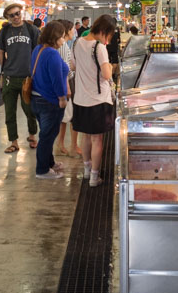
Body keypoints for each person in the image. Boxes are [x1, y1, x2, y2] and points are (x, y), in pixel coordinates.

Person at [73, 14, 116, 187]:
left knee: (86, 136)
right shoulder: (99, 47)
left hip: (80, 99)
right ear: (105, 31)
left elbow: (73, 66)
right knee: (97, 140)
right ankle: (94, 177)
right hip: (98, 100)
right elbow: (106, 75)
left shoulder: (77, 43)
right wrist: (111, 67)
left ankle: (86, 170)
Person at [0, 3, 41, 153]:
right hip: (9, 76)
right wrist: (1, 73)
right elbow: (1, 53)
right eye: (12, 15)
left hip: (27, 77)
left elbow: (37, 52)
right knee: (9, 111)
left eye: (17, 13)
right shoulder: (4, 32)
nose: (16, 17)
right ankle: (14, 142)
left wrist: (36, 73)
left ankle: (32, 135)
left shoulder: (32, 30)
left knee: (29, 110)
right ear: (7, 18)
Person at [28, 21, 70, 179]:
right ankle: (42, 170)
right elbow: (57, 80)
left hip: (37, 99)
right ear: (56, 36)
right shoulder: (52, 53)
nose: (63, 40)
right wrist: (62, 98)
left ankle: (49, 162)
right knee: (47, 136)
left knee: (47, 134)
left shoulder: (38, 49)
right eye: (62, 36)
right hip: (49, 101)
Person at [54, 20, 81, 158]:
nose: (74, 32)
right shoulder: (63, 45)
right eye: (72, 30)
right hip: (68, 82)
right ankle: (73, 147)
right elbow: (65, 69)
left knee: (65, 117)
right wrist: (68, 89)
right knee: (73, 117)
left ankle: (60, 145)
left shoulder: (62, 45)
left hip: (67, 81)